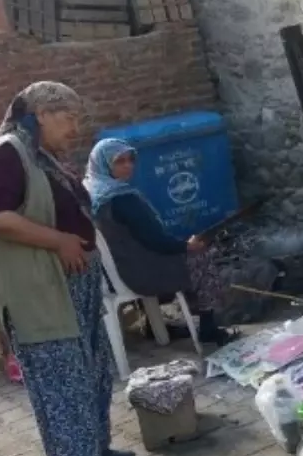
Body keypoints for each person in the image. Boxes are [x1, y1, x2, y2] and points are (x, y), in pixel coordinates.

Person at [0, 81, 134, 456]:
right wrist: (58, 241)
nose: (74, 128)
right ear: (41, 113)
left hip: (73, 286)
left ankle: (96, 450)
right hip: (40, 292)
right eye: (68, 118)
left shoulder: (41, 155)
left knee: (92, 372)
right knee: (62, 383)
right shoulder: (8, 152)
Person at [85, 137, 276, 342]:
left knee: (192, 253)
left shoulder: (93, 191)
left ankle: (155, 324)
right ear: (103, 164)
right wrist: (187, 246)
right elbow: (155, 240)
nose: (128, 166)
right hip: (141, 273)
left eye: (130, 160)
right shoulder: (122, 198)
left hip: (117, 271)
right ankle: (208, 327)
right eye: (119, 162)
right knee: (204, 257)